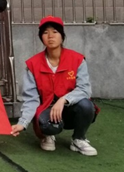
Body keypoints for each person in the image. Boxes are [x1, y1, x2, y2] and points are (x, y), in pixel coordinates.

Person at [10, 15, 98, 156]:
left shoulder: (77, 59)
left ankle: (78, 139)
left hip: (69, 109)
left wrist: (64, 100)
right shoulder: (33, 64)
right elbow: (31, 99)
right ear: (41, 38)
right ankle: (48, 135)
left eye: (55, 32)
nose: (50, 36)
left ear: (62, 36)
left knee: (86, 106)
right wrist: (23, 123)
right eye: (45, 33)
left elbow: (84, 89)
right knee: (47, 126)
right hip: (47, 111)